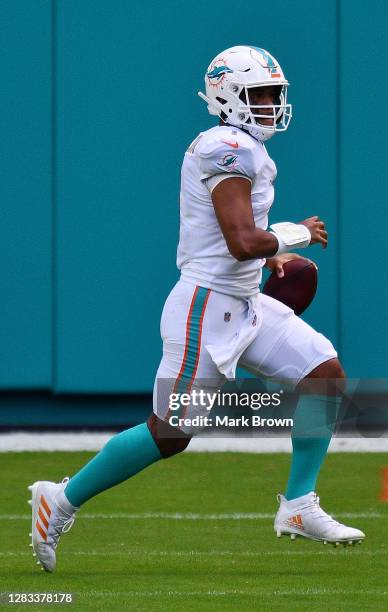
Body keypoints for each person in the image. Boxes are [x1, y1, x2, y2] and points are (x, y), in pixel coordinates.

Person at [28, 45, 364, 573]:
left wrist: (271, 258)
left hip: (244, 300)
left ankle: (298, 506)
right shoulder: (224, 146)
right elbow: (239, 241)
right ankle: (60, 498)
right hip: (205, 309)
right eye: (262, 94)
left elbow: (244, 245)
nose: (274, 104)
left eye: (277, 94)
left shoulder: (244, 145)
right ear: (230, 97)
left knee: (324, 374)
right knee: (172, 432)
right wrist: (294, 234)